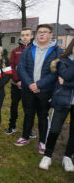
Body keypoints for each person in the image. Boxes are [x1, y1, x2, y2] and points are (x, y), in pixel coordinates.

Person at [14, 24, 63, 154]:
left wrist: (39, 85)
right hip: (28, 89)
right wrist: (30, 84)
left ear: (51, 35)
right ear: (36, 35)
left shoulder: (57, 51)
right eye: (40, 32)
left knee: (43, 116)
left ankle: (43, 141)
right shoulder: (29, 49)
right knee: (28, 114)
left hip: (45, 90)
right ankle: (25, 137)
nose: (41, 34)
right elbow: (21, 68)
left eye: (45, 32)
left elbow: (56, 72)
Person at [39, 39, 74, 172]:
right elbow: (66, 75)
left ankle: (68, 156)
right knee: (55, 129)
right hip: (62, 99)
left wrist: (66, 83)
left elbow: (66, 79)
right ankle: (47, 155)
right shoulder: (62, 61)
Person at [6, 27, 34, 135]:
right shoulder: (15, 51)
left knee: (28, 108)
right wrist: (17, 80)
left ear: (32, 36)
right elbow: (11, 67)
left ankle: (28, 130)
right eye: (23, 35)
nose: (25, 37)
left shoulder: (35, 50)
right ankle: (11, 126)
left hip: (30, 85)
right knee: (14, 106)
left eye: (27, 35)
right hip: (16, 84)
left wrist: (28, 82)